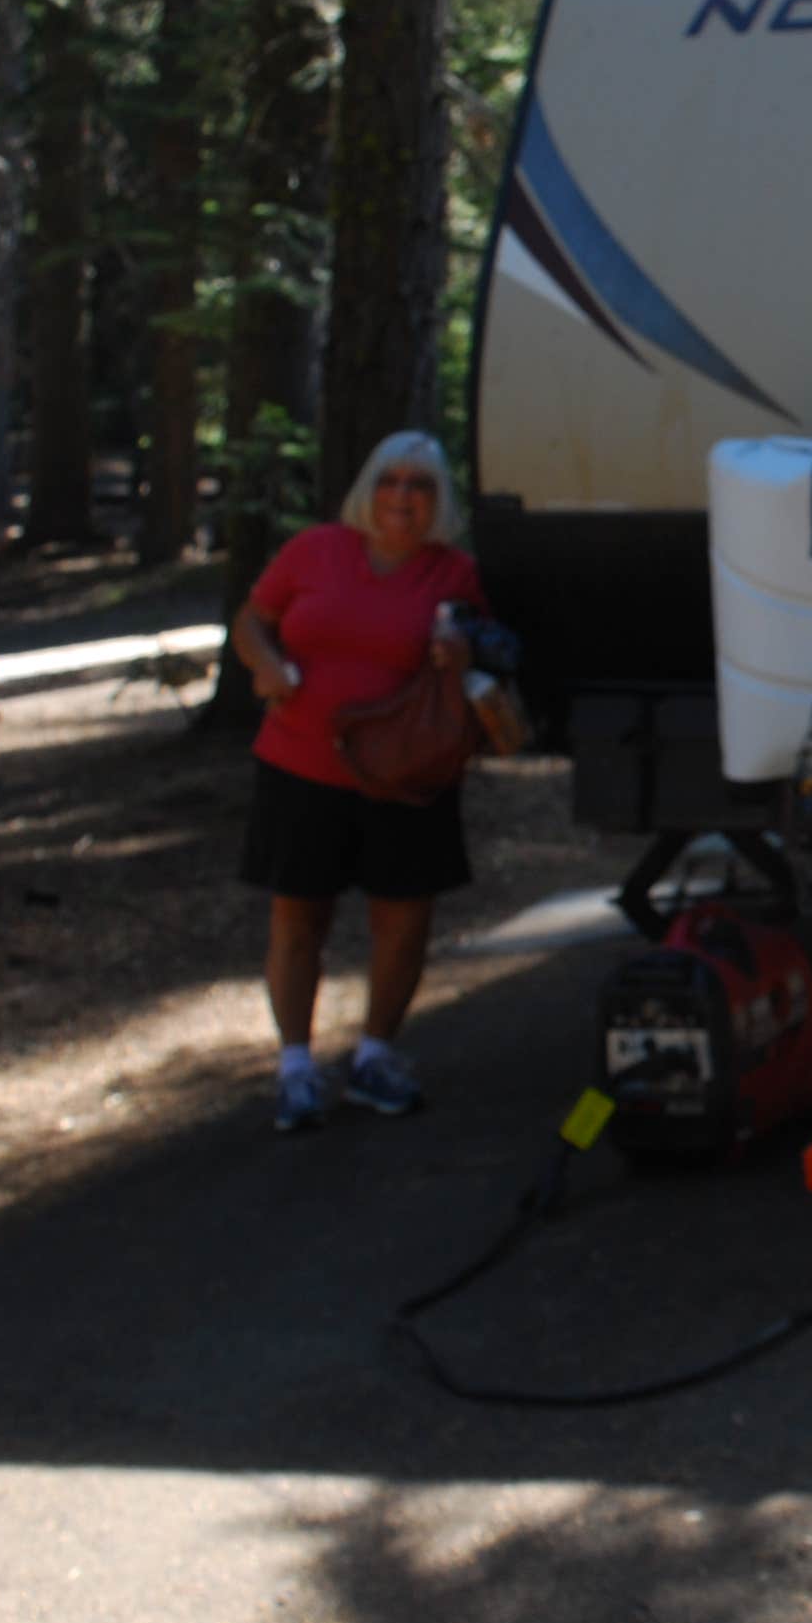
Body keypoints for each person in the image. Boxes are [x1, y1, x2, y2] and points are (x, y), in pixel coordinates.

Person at [233, 429, 492, 1132]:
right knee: (297, 918)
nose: (402, 496)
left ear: (438, 501)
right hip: (300, 763)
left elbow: (482, 661)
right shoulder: (315, 550)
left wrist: (460, 654)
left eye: (420, 485)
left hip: (405, 775)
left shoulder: (454, 574)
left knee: (403, 919)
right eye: (390, 480)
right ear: (367, 488)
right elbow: (253, 619)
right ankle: (295, 1070)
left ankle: (375, 1058)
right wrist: (265, 665)